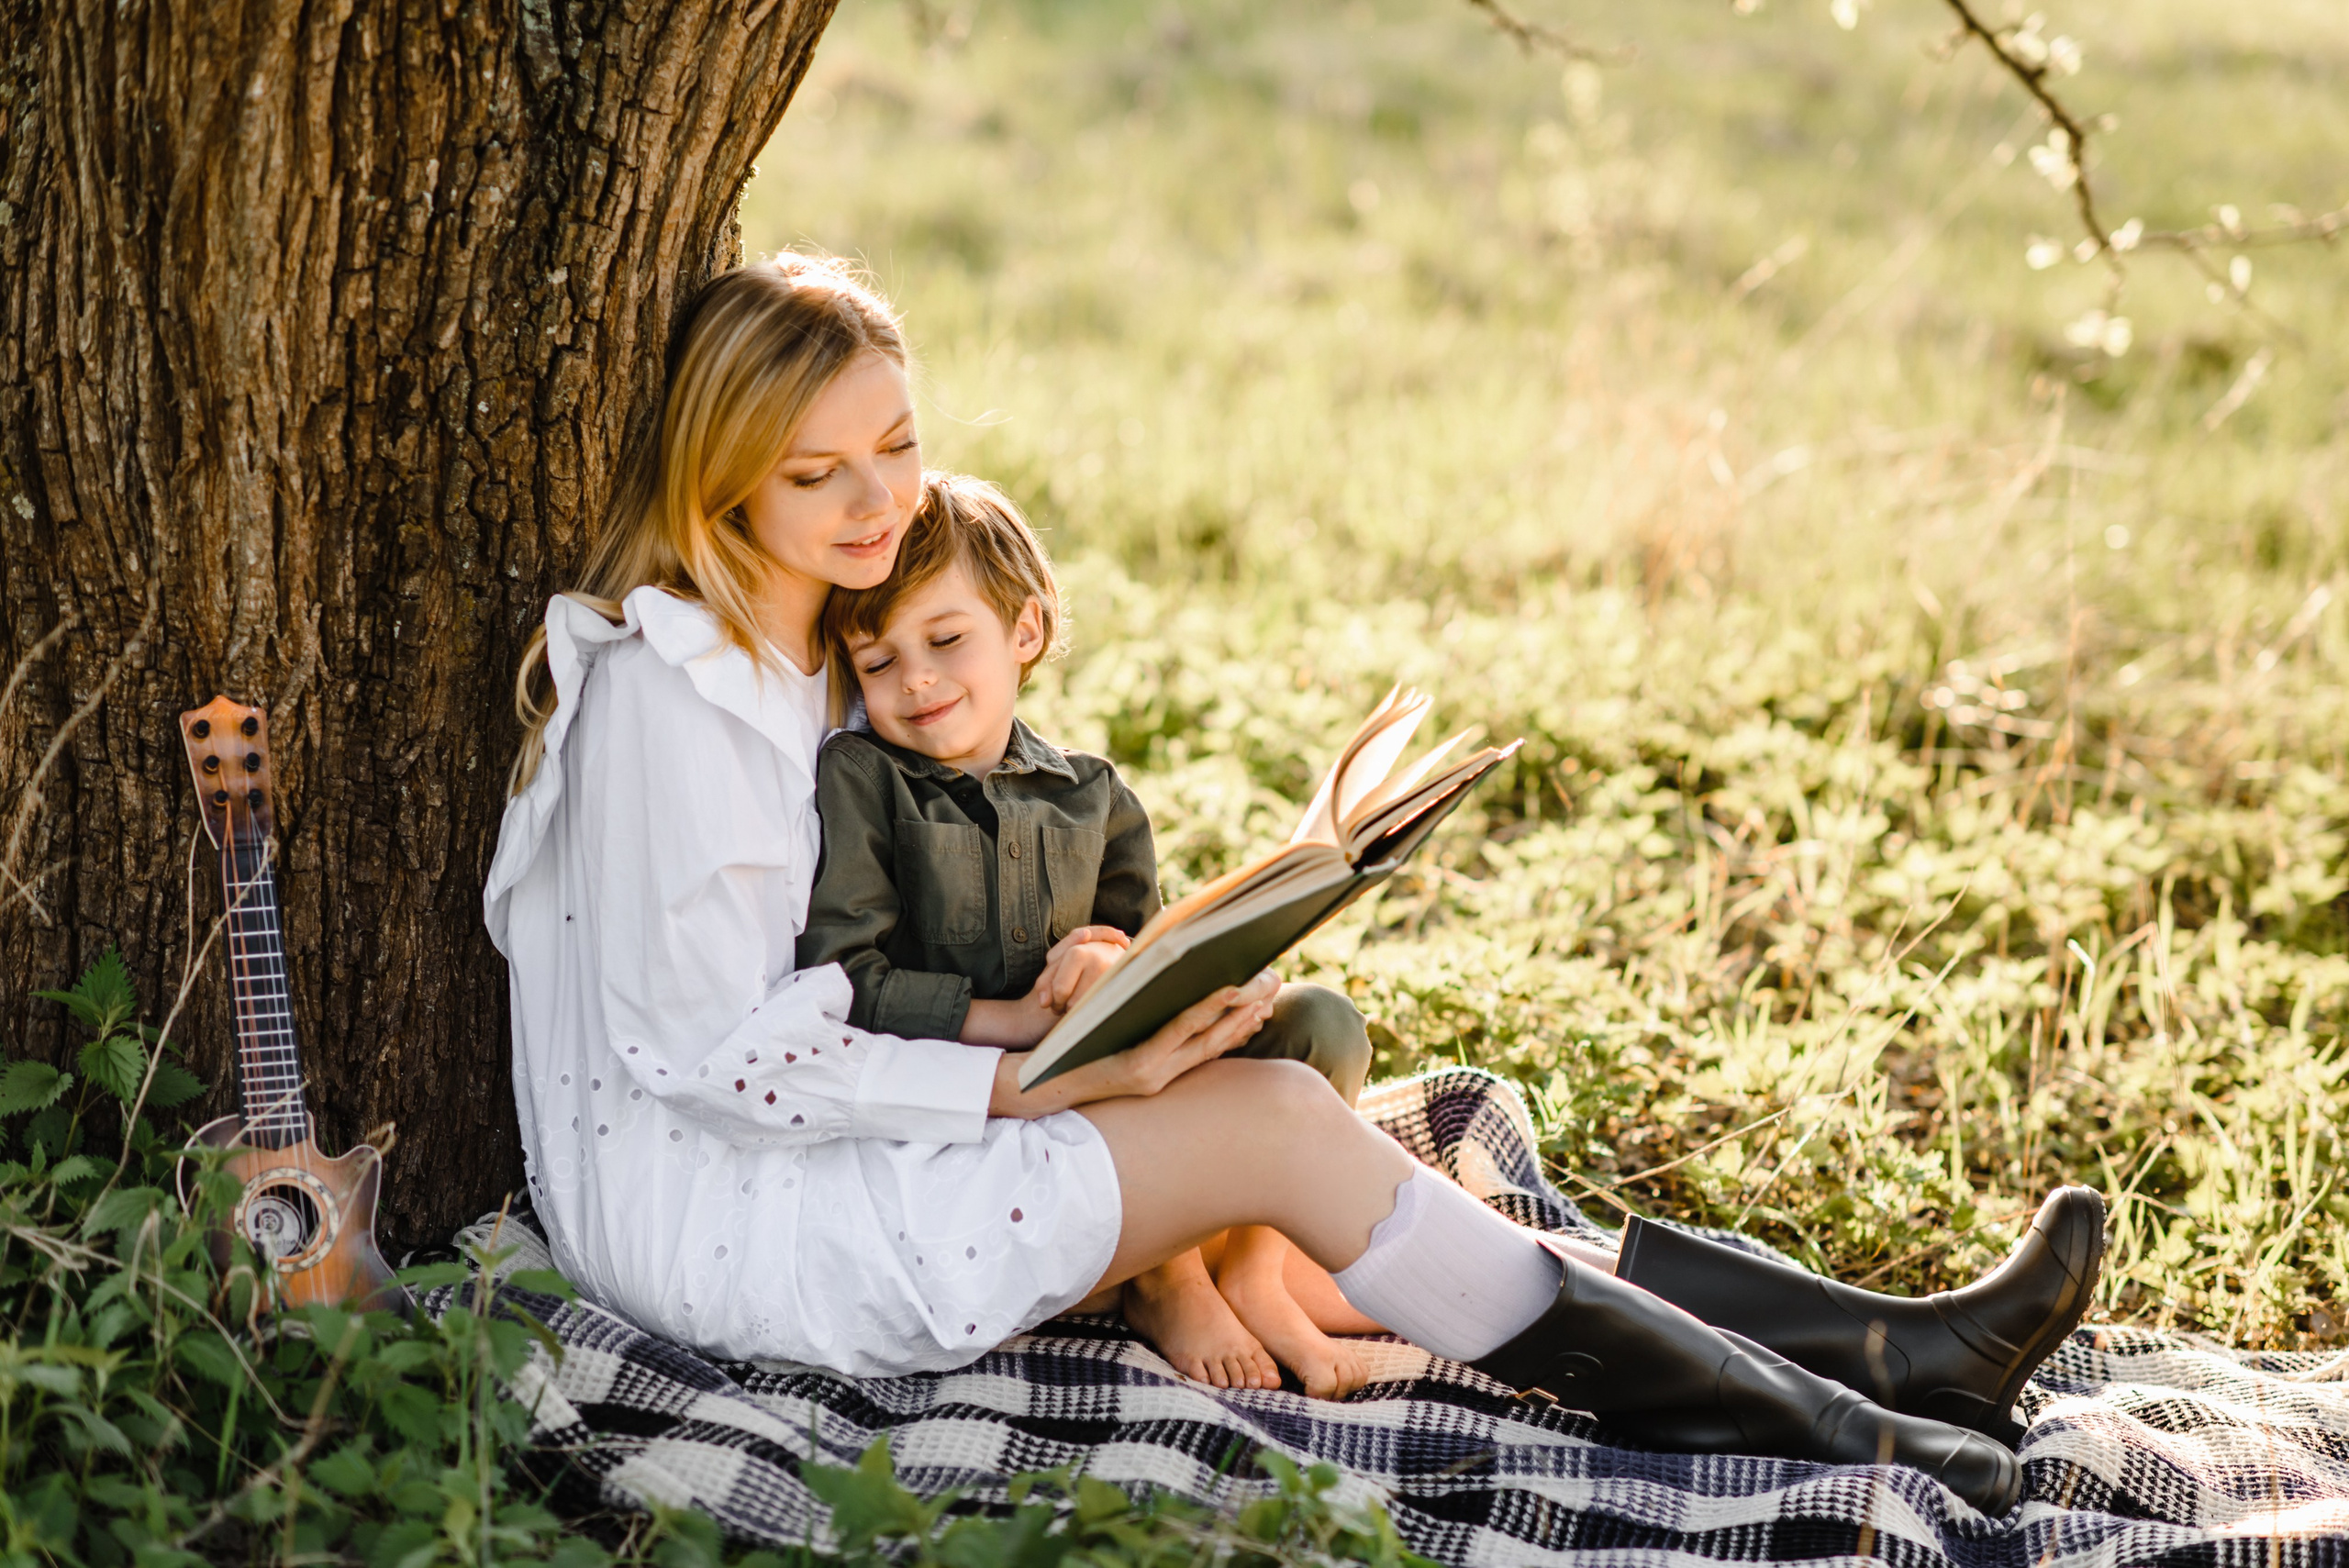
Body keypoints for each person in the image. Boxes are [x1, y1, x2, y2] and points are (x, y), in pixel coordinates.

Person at [484, 252, 2105, 1519]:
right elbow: (704, 1055)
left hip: (846, 1120)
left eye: (896, 444)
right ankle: (1861, 1433)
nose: (874, 500)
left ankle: (1896, 1349)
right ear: (728, 483)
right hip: (718, 1211)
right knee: (1273, 1128)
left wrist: (1107, 990)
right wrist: (1047, 1075)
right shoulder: (669, 701)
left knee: (1306, 1140)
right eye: (816, 470)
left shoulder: (825, 643)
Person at [795, 469, 1378, 1398]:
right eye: (878, 661)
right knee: (1117, 1079)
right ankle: (1164, 1275)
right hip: (995, 1104)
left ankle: (1251, 1275)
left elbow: (1152, 955)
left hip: (1121, 1071)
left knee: (1322, 1026)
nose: (917, 679)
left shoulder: (1090, 793)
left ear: (1023, 629)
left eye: (946, 638)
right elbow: (845, 975)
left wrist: (1113, 956)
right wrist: (1015, 1018)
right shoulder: (864, 777)